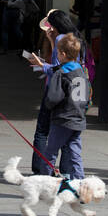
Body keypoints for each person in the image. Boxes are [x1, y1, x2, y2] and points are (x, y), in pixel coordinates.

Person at [25, 10, 79, 174]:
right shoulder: (74, 38)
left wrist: (42, 65)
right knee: (70, 134)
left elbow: (58, 69)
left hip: (56, 90)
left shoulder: (61, 40)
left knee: (43, 130)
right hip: (73, 90)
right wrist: (50, 40)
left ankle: (40, 168)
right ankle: (67, 170)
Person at [43, 34, 90, 179]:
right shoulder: (82, 71)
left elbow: (52, 98)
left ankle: (45, 180)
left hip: (63, 118)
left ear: (63, 54)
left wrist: (48, 106)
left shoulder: (61, 73)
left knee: (50, 152)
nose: (57, 55)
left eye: (57, 53)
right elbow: (87, 94)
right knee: (75, 152)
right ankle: (80, 181)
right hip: (78, 118)